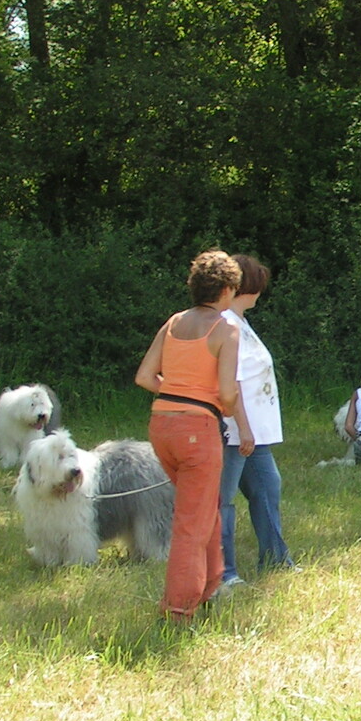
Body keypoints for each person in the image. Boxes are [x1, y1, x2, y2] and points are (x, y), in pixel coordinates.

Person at [135, 250, 241, 621]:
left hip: (161, 424)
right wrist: (224, 408)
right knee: (191, 524)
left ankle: (210, 586)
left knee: (203, 508)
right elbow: (227, 392)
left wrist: (177, 392)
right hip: (198, 430)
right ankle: (178, 609)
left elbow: (145, 377)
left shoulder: (174, 322)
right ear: (226, 290)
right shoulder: (226, 330)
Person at [218, 254, 292, 585]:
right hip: (235, 431)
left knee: (267, 489)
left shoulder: (241, 322)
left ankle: (276, 558)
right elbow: (231, 382)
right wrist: (243, 428)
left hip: (255, 432)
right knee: (223, 501)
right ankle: (224, 572)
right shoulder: (226, 325)